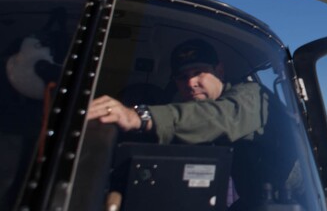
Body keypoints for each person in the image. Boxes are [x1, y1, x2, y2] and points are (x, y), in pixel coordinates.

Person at [87, 38, 297, 207]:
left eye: (198, 72)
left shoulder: (250, 96)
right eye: (182, 76)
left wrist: (139, 117)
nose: (190, 82)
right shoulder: (185, 107)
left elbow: (216, 118)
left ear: (219, 71)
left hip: (287, 201)